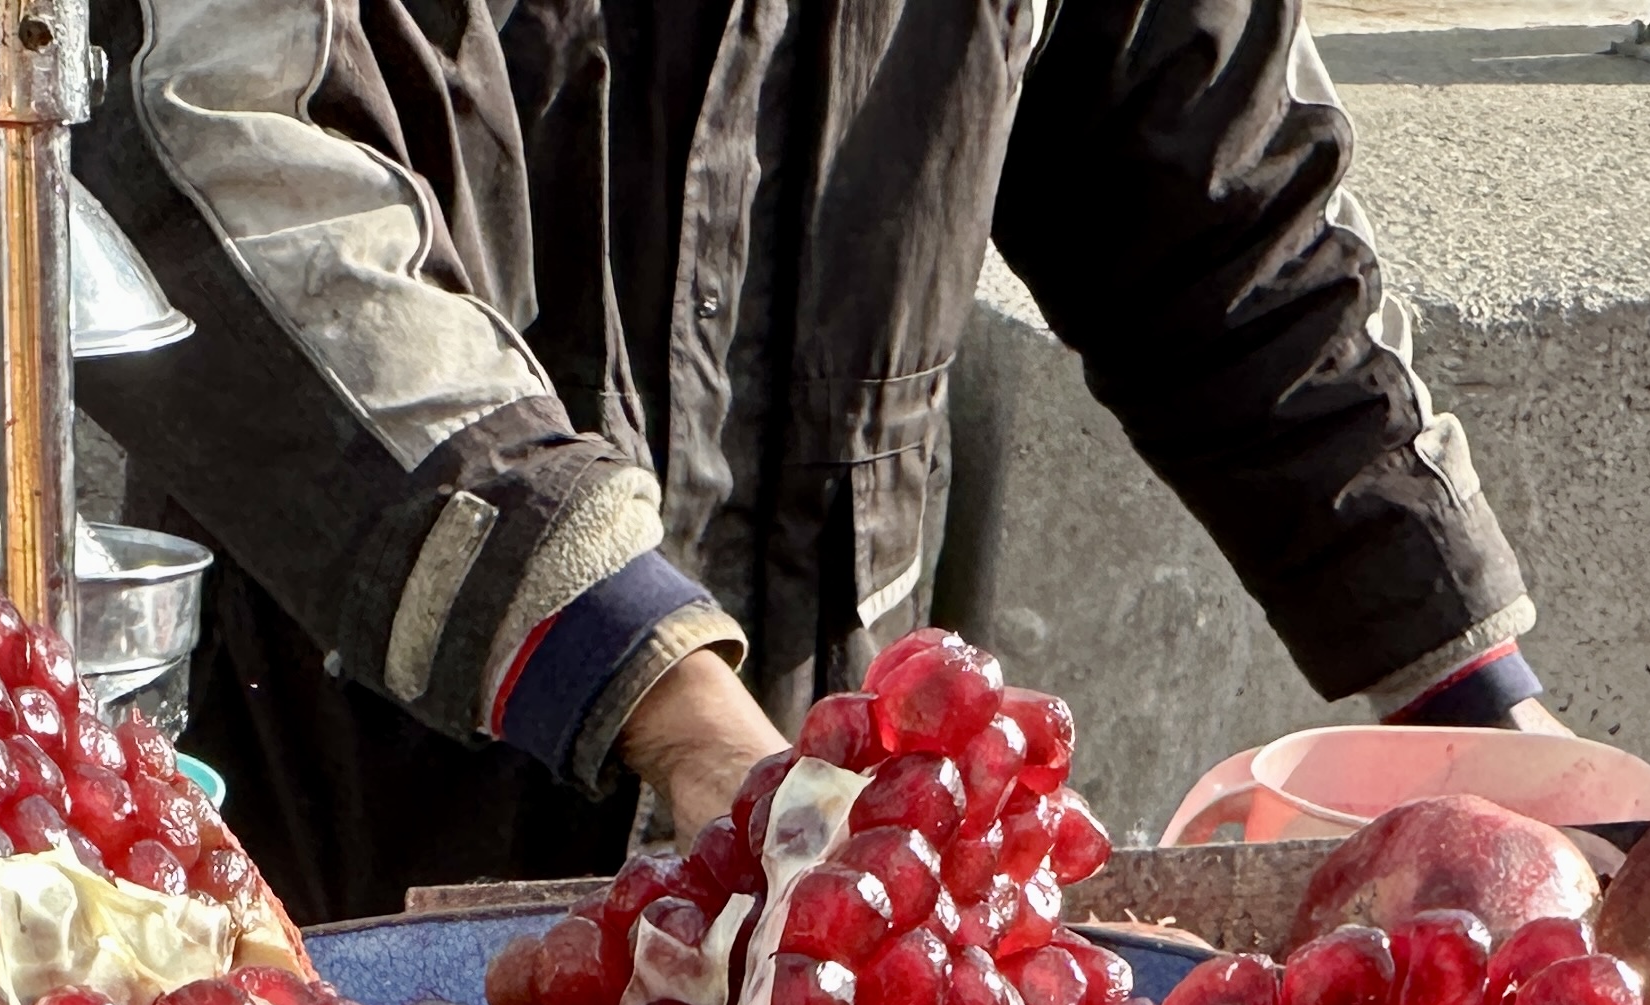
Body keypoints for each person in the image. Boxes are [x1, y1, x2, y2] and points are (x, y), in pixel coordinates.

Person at [79, 0, 1556, 924]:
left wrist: (1481, 715)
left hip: (813, 795)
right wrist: (657, 693)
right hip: (367, 802)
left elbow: (1222, 210)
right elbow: (215, 155)